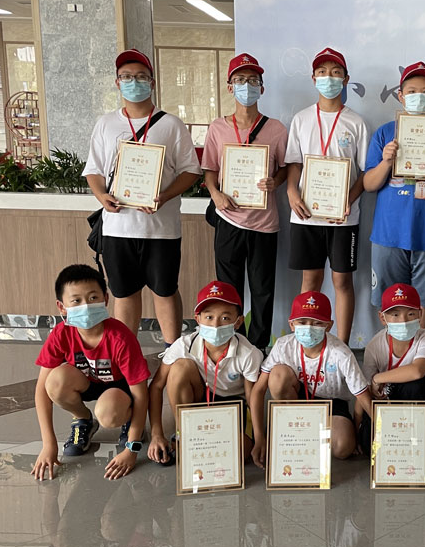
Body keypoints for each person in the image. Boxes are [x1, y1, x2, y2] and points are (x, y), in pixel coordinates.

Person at [83, 49, 202, 345]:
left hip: (161, 228)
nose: (133, 82)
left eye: (140, 77)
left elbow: (191, 171)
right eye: (126, 77)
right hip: (118, 227)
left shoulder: (171, 124)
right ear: (117, 82)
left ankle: (173, 352)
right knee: (124, 293)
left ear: (152, 82)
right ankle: (128, 352)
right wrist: (101, 195)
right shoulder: (106, 124)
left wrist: (164, 196)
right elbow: (94, 170)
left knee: (165, 290)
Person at [363, 61, 425, 328]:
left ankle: (420, 353)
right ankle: (392, 352)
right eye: (411, 91)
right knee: (389, 301)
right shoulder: (385, 133)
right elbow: (369, 184)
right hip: (389, 234)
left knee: (423, 303)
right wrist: (386, 162)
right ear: (401, 96)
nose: (419, 96)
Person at [202, 53, 289, 351]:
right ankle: (233, 344)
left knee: (263, 290)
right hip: (228, 219)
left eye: (253, 80)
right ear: (230, 87)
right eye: (240, 80)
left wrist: (275, 181)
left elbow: (286, 167)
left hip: (264, 223)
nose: (246, 86)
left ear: (262, 88)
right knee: (229, 290)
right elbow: (209, 170)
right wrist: (216, 194)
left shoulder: (276, 129)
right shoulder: (217, 128)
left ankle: (259, 347)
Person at [31, 264, 150, 481]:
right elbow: (41, 390)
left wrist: (132, 448)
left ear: (106, 299)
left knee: (109, 414)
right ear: (61, 307)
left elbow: (141, 393)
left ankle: (130, 421)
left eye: (93, 297)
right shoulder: (61, 333)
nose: (86, 306)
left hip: (119, 390)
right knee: (54, 381)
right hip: (86, 383)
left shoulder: (121, 338)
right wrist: (48, 444)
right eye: (76, 300)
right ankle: (83, 419)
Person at [285, 47, 370, 345]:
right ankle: (307, 344)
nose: (328, 78)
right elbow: (294, 163)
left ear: (346, 79)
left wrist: (350, 199)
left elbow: (365, 172)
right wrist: (291, 191)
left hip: (343, 218)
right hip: (306, 214)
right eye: (322, 72)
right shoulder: (301, 119)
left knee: (342, 280)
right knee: (310, 280)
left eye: (335, 73)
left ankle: (343, 345)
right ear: (313, 78)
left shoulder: (356, 122)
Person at [147, 281, 263, 465]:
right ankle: (184, 432)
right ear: (198, 319)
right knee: (180, 368)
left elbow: (252, 397)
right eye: (209, 317)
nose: (216, 325)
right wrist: (156, 434)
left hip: (233, 404)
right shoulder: (183, 345)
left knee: (240, 452)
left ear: (238, 322)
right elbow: (156, 386)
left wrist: (259, 437)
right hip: (200, 397)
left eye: (225, 318)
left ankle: (199, 443)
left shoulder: (249, 353)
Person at [249, 291, 372, 463]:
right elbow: (258, 390)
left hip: (332, 403)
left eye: (317, 323)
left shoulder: (341, 352)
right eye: (302, 322)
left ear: (329, 326)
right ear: (292, 324)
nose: (309, 328)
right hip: (298, 398)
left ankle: (305, 434)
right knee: (277, 376)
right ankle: (293, 424)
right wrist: (259, 437)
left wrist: (381, 433)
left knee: (343, 447)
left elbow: (362, 395)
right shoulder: (283, 345)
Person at [357, 283, 425, 450]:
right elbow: (363, 390)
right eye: (395, 314)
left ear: (420, 314)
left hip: (411, 396)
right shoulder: (374, 345)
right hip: (383, 402)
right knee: (368, 447)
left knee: (417, 383)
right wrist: (355, 429)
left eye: (411, 314)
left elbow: (417, 370)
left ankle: (419, 437)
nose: (403, 321)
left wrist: (378, 378)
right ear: (382, 318)